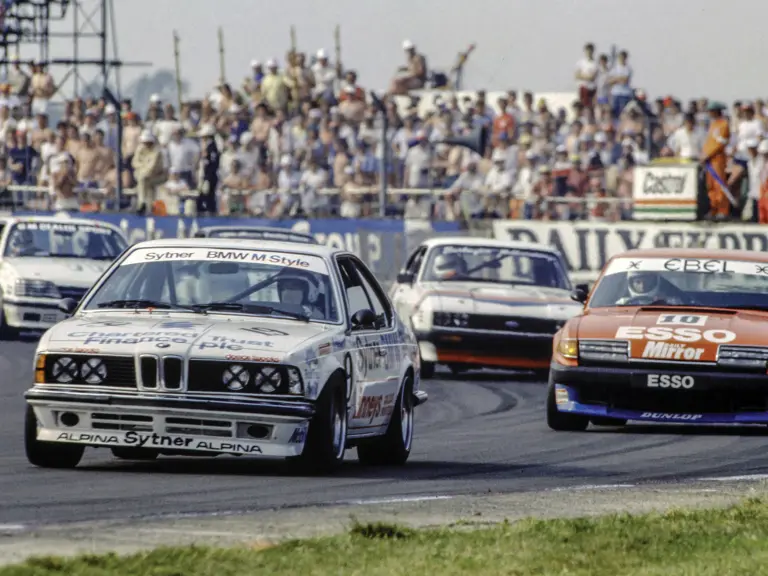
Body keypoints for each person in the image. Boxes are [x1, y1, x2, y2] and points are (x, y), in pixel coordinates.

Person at [700, 101, 731, 219]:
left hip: (717, 159)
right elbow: (709, 142)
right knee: (711, 185)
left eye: (711, 111)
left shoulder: (723, 125)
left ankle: (722, 210)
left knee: (719, 184)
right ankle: (714, 209)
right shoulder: (713, 125)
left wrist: (707, 154)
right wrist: (703, 153)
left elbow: (719, 144)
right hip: (709, 160)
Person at [616, 271, 685, 305]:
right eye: (638, 282)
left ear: (656, 281)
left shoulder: (672, 302)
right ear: (630, 283)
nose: (642, 286)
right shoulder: (622, 304)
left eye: (646, 281)